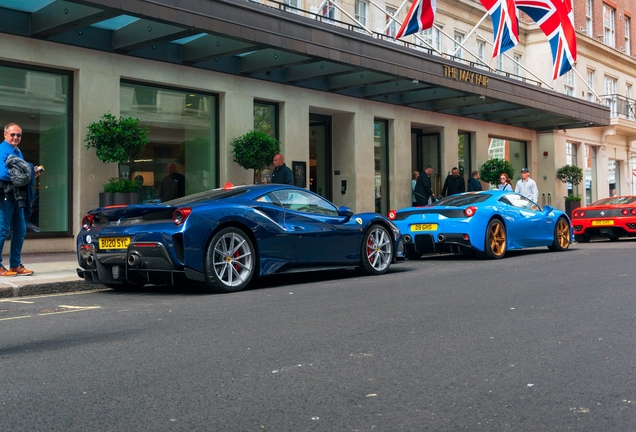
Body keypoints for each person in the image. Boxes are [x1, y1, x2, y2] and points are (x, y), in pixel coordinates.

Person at [0, 123, 40, 277]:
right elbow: (3, 174)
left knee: (21, 230)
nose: (15, 137)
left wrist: (30, 172)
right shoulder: (2, 150)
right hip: (5, 196)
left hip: (17, 196)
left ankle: (15, 265)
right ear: (5, 135)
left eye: (18, 135)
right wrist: (28, 172)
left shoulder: (17, 151)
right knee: (2, 231)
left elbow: (20, 174)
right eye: (12, 134)